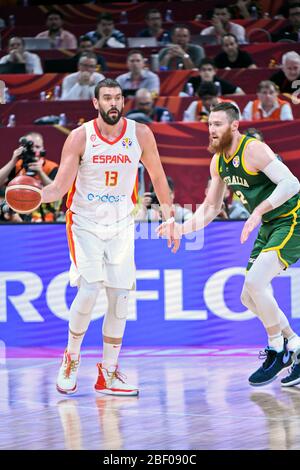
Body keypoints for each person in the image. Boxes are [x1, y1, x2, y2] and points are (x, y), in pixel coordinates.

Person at [41, 78, 179, 396]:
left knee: (120, 300)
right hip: (85, 223)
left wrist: (170, 217)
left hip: (121, 225)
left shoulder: (140, 134)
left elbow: (158, 177)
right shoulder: (80, 137)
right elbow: (59, 188)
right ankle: (71, 359)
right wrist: (34, 195)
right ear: (96, 103)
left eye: (118, 98)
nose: (113, 103)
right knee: (89, 291)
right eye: (107, 98)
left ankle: (109, 372)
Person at [158, 101, 300, 387]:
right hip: (269, 224)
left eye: (218, 124)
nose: (211, 130)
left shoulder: (253, 149)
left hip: (292, 218)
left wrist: (258, 211)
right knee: (248, 297)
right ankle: (294, 345)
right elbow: (211, 207)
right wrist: (182, 229)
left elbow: (292, 184)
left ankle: (276, 349)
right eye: (209, 124)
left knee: (256, 284)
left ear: (234, 126)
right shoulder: (218, 161)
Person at [0, 132, 60, 222]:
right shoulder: (17, 165)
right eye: (30, 147)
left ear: (43, 149)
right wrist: (13, 161)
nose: (34, 150)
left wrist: (40, 172)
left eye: (37, 147)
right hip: (17, 215)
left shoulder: (51, 167)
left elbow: (57, 192)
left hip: (44, 218)